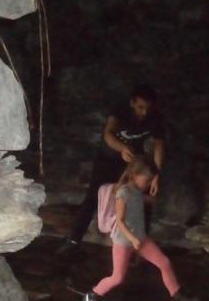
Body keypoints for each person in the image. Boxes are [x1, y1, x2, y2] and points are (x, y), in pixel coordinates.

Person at [56, 84, 165, 255]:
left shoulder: (156, 118)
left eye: (148, 108)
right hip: (107, 158)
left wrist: (156, 174)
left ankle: (140, 247)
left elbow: (159, 145)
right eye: (140, 107)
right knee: (93, 197)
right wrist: (122, 148)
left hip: (132, 162)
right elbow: (108, 134)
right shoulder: (120, 111)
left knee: (140, 199)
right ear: (132, 103)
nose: (144, 112)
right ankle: (73, 240)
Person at [83, 158, 198, 301]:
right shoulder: (123, 192)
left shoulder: (137, 192)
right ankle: (93, 294)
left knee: (164, 263)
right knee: (118, 277)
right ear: (134, 175)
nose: (149, 183)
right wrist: (132, 239)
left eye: (150, 180)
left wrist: (150, 198)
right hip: (124, 241)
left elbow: (141, 200)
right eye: (147, 180)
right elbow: (120, 221)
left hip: (140, 239)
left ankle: (177, 297)